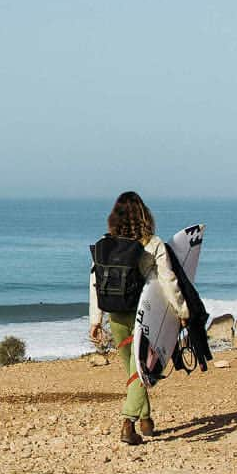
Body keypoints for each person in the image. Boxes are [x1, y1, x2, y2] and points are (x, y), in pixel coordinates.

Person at [89, 191, 189, 445]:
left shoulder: (105, 244)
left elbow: (94, 281)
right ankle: (128, 422)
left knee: (134, 371)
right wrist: (181, 311)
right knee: (139, 371)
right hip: (144, 315)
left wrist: (95, 320)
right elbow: (167, 280)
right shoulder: (153, 244)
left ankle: (145, 419)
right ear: (145, 215)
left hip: (115, 314)